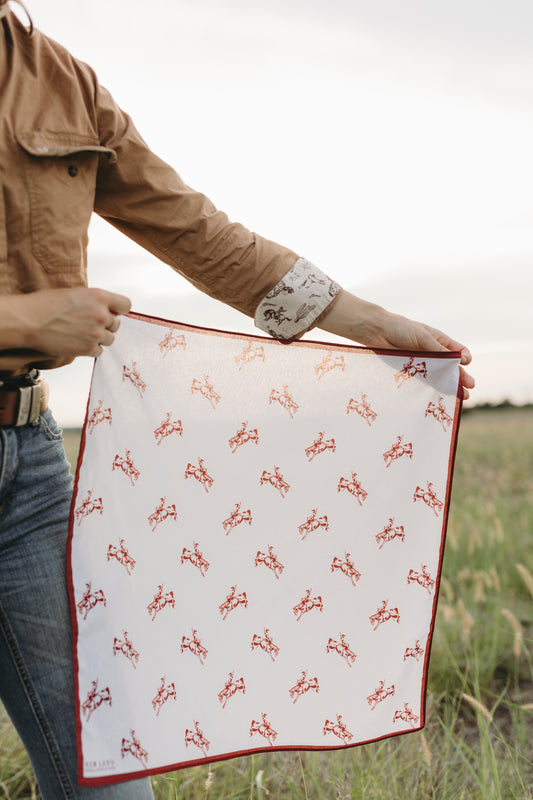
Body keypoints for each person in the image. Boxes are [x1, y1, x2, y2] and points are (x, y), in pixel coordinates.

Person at [0, 2, 474, 798]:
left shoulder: (60, 76)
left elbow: (195, 230)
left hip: (30, 467)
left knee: (107, 774)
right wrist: (18, 318)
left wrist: (368, 323)